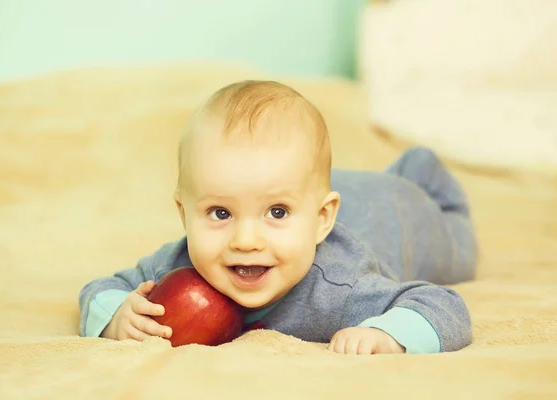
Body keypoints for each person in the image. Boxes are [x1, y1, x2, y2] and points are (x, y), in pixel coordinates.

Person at [78, 80, 478, 355]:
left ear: (323, 219)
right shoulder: (175, 267)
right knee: (292, 183)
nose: (246, 240)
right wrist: (116, 315)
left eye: (276, 212)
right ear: (184, 214)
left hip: (391, 214)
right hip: (317, 194)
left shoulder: (342, 287)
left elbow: (444, 305)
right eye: (220, 213)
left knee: (456, 250)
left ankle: (421, 171)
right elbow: (103, 287)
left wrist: (387, 334)